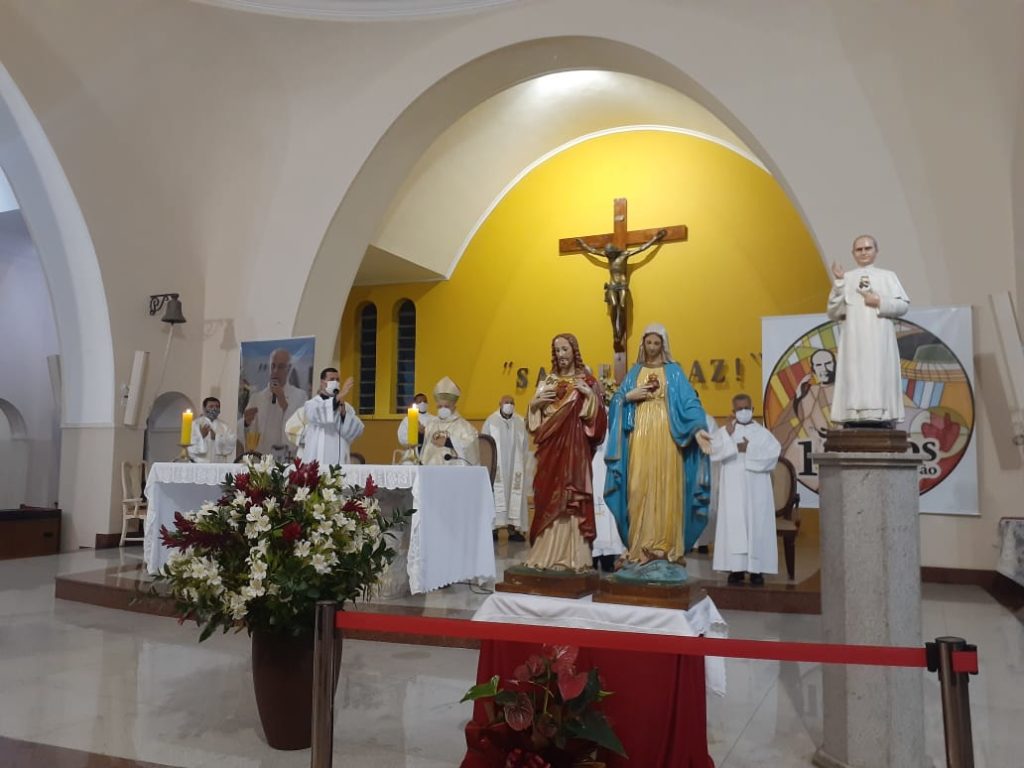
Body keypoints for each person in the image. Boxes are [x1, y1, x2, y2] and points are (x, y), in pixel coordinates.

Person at [605, 323, 712, 566]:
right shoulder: (635, 371)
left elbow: (690, 402)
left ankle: (664, 546)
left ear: (663, 345)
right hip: (639, 434)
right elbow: (618, 399)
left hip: (666, 434)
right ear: (642, 344)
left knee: (665, 483)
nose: (652, 347)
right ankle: (638, 545)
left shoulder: (673, 371)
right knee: (637, 485)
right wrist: (629, 397)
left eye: (656, 343)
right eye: (649, 342)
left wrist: (697, 429)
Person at [523, 333, 607, 571]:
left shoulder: (587, 381)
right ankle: (545, 554)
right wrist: (535, 405)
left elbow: (598, 423)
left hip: (575, 450)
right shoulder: (548, 382)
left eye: (565, 349)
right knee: (548, 495)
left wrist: (589, 395)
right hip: (550, 451)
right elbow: (534, 425)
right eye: (557, 350)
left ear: (574, 351)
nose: (561, 354)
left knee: (571, 497)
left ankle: (575, 557)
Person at [827, 235, 910, 426]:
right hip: (854, 340)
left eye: (868, 248)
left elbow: (903, 305)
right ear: (853, 253)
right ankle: (854, 415)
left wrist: (880, 301)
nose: (863, 252)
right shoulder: (846, 278)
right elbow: (834, 312)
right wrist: (839, 284)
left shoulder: (888, 276)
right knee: (854, 375)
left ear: (876, 251)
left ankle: (881, 414)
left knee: (879, 373)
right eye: (859, 249)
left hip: (879, 337)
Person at [710, 393, 781, 585]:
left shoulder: (762, 433)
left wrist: (749, 449)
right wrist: (729, 438)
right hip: (732, 487)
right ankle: (736, 569)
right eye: (739, 409)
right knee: (735, 524)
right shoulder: (726, 432)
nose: (743, 412)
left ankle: (757, 570)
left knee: (756, 524)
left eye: (746, 408)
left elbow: (773, 455)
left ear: (753, 409)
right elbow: (713, 452)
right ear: (733, 411)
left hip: (757, 488)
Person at [574, 230, 667, 352]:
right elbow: (593, 251)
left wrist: (655, 239)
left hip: (622, 285)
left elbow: (642, 249)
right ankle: (615, 333)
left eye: (610, 253)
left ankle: (621, 333)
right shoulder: (609, 257)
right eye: (607, 254)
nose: (608, 255)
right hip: (612, 285)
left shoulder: (624, 255)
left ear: (614, 252)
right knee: (614, 306)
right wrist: (582, 245)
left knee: (622, 306)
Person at [771, 348, 836, 471]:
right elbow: (782, 428)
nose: (824, 369)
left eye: (828, 363)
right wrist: (797, 397)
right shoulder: (809, 391)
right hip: (807, 457)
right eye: (819, 365)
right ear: (813, 369)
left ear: (835, 364)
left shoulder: (844, 391)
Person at [238, 347, 308, 458]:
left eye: (280, 367)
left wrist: (284, 405)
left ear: (289, 369)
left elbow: (302, 431)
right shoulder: (257, 398)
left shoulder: (300, 396)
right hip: (261, 459)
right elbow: (245, 435)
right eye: (273, 366)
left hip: (286, 459)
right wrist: (246, 423)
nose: (275, 371)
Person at [482, 395, 529, 540]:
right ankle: (493, 529)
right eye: (506, 402)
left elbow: (525, 446)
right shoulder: (491, 421)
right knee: (495, 495)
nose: (509, 405)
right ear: (500, 404)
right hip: (496, 468)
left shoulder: (520, 421)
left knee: (514, 496)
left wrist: (522, 463)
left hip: (515, 468)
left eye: (512, 402)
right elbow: (484, 444)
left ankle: (513, 529)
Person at [300, 367, 364, 466]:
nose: (335, 382)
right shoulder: (312, 404)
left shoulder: (346, 407)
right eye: (331, 379)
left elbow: (356, 431)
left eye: (337, 380)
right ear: (322, 382)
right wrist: (339, 397)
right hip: (318, 455)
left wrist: (343, 414)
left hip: (340, 456)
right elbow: (317, 415)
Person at [419, 377, 479, 466]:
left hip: (454, 469)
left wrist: (448, 442)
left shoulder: (463, 426)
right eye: (440, 406)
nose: (443, 409)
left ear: (454, 407)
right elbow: (424, 451)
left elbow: (471, 446)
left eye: (446, 406)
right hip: (431, 469)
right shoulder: (431, 424)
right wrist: (420, 434)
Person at [188, 396, 237, 463]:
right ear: (204, 408)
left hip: (218, 463)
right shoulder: (195, 424)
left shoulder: (225, 427)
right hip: (200, 463)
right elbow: (189, 444)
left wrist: (216, 437)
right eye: (211, 406)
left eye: (217, 406)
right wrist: (201, 436)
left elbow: (230, 444)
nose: (214, 409)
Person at [396, 392, 434, 463]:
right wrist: (416, 433)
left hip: (429, 454)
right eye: (420, 402)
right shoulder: (408, 420)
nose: (422, 403)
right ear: (415, 404)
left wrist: (425, 433)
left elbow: (436, 436)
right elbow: (402, 436)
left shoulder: (434, 419)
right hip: (412, 452)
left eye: (425, 401)